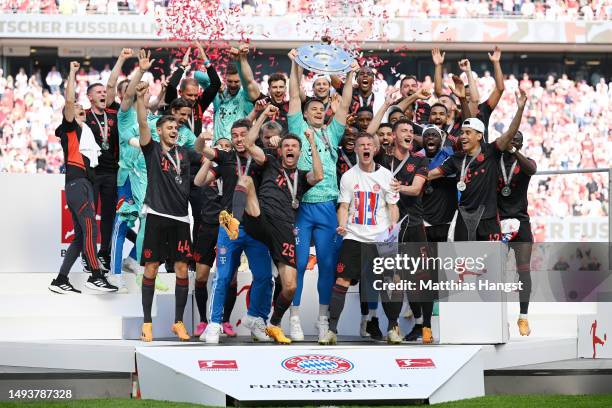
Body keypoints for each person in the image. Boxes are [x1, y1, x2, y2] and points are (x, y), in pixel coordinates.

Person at [232, 109, 324, 343]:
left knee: (290, 286)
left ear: (299, 152)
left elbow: (320, 175)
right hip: (261, 218)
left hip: (285, 229)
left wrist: (312, 143)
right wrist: (262, 115)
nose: (290, 149)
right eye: (286, 146)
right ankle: (233, 220)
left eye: (294, 146)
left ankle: (273, 324)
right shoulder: (270, 162)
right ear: (280, 150)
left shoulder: (302, 177)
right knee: (246, 180)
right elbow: (250, 142)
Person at [286, 49, 356, 342]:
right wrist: (294, 65)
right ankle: (295, 318)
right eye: (312, 108)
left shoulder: (333, 132)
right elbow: (292, 96)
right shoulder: (297, 127)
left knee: (328, 266)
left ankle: (324, 319)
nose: (317, 111)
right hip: (301, 207)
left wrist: (350, 73)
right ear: (304, 113)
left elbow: (345, 105)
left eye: (320, 109)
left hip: (328, 207)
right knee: (299, 265)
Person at [135, 82, 204, 342]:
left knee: (182, 270)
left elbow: (203, 153)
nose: (175, 129)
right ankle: (147, 323)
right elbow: (143, 124)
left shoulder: (185, 154)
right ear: (160, 130)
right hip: (157, 216)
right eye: (170, 127)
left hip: (181, 219)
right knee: (151, 267)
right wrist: (142, 98)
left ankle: (178, 322)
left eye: (177, 127)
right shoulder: (151, 149)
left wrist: (204, 141)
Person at [319, 132, 401, 345]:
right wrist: (342, 225)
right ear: (356, 150)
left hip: (381, 237)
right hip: (354, 236)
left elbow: (393, 206)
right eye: (361, 145)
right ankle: (332, 330)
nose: (366, 147)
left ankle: (393, 327)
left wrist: (392, 226)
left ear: (375, 149)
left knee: (390, 281)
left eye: (369, 144)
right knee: (342, 280)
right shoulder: (348, 176)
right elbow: (344, 206)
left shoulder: (387, 176)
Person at [197, 119, 274, 344]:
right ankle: (214, 324)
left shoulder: (260, 157)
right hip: (230, 223)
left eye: (243, 134)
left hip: (257, 225)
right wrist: (203, 139)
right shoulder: (227, 157)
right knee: (223, 276)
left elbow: (259, 154)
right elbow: (201, 154)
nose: (239, 139)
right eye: (235, 135)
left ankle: (257, 320)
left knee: (264, 277)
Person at [49, 61, 117, 294]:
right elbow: (69, 102)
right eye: (78, 110)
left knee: (80, 238)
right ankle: (96, 275)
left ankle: (60, 279)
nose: (81, 111)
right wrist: (71, 73)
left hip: (85, 182)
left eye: (81, 110)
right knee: (91, 228)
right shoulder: (70, 129)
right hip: (78, 183)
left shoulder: (86, 130)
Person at [428, 89, 527, 241]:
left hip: (488, 219)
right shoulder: (456, 158)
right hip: (463, 217)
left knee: (490, 263)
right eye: (462, 133)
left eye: (468, 133)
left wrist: (520, 109)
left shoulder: (491, 151)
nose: (463, 137)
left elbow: (509, 133)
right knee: (465, 262)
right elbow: (431, 174)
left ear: (479, 135)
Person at [378, 119, 432, 344]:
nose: (410, 134)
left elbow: (417, 188)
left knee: (421, 278)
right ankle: (393, 325)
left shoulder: (420, 160)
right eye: (404, 131)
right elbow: (369, 135)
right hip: (388, 227)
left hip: (414, 224)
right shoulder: (382, 159)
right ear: (393, 135)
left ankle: (426, 326)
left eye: (411, 131)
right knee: (392, 278)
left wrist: (399, 188)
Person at [192, 136, 240, 338]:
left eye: (228, 146)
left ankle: (226, 320)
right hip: (208, 225)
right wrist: (210, 158)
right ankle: (203, 320)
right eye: (221, 146)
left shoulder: (233, 168)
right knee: (201, 276)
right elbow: (197, 181)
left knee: (230, 277)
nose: (224, 148)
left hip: (228, 224)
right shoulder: (215, 168)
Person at [497, 130, 536, 336]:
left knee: (523, 270)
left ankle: (523, 317)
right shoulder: (495, 162)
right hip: (498, 223)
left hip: (521, 222)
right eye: (510, 138)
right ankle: (498, 319)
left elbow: (532, 170)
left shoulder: (525, 162)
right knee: (496, 272)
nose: (513, 142)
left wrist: (514, 151)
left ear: (521, 144)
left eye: (517, 141)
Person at [195, 44, 255, 142]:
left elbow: (248, 81)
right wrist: (218, 83)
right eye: (229, 81)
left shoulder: (246, 96)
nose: (233, 84)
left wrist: (240, 59)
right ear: (225, 78)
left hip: (238, 147)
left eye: (236, 81)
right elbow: (197, 75)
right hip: (218, 148)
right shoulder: (218, 94)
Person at [164, 41, 221, 136]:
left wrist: (205, 61)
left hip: (195, 149)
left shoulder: (199, 105)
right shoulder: (173, 103)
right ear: (180, 92)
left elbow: (216, 84)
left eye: (196, 95)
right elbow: (171, 86)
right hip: (175, 149)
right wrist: (182, 66)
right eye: (190, 95)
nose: (193, 98)